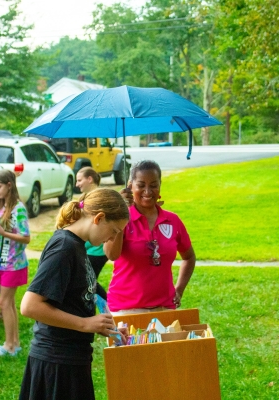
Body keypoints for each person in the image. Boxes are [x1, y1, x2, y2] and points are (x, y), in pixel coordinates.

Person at [19, 188, 129, 400]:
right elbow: (30, 305)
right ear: (99, 218)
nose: (112, 238)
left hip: (73, 358)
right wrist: (85, 324)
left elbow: (85, 293)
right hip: (57, 363)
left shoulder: (78, 247)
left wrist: (109, 328)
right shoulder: (64, 248)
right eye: (114, 231)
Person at [104, 160, 196, 315]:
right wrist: (121, 214)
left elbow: (189, 257)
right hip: (125, 309)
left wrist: (179, 289)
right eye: (141, 185)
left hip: (164, 307)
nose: (147, 191)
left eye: (153, 185)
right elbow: (112, 255)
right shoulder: (120, 219)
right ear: (130, 185)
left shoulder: (172, 220)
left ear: (160, 185)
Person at [0, 170, 30, 357]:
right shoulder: (2, 207)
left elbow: (26, 237)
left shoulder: (18, 209)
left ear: (9, 185)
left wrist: (4, 233)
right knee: (9, 303)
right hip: (2, 263)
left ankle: (9, 346)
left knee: (4, 303)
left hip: (13, 264)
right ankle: (15, 344)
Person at [76, 167, 108, 300]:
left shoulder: (98, 198)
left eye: (79, 180)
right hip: (88, 248)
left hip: (96, 250)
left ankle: (108, 306)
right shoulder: (87, 197)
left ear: (90, 179)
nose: (77, 184)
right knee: (87, 281)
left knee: (87, 282)